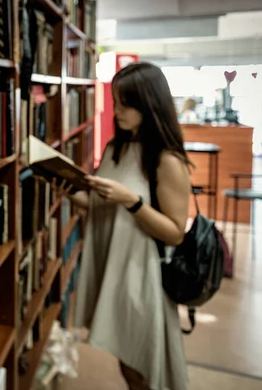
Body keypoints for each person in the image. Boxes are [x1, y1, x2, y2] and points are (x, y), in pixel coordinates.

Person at [62, 62, 191, 390]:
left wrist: (131, 201)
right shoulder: (114, 149)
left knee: (143, 365)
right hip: (112, 263)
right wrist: (64, 188)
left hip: (141, 271)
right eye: (115, 101)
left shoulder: (167, 160)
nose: (116, 110)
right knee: (126, 362)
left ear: (149, 104)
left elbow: (175, 231)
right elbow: (100, 206)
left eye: (125, 103)